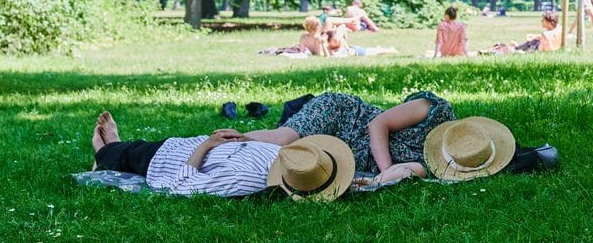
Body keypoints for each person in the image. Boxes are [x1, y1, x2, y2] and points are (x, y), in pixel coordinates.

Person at [241, 91, 456, 184]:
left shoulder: (439, 165)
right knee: (283, 139)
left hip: (342, 149)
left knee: (287, 158)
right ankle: (225, 140)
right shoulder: (435, 111)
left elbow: (405, 172)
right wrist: (386, 169)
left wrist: (378, 181)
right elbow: (378, 124)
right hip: (344, 115)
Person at [90, 111, 281, 197]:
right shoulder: (289, 157)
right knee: (138, 148)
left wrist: (206, 146)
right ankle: (113, 150)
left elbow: (183, 185)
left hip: (163, 162)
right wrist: (243, 139)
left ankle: (105, 152)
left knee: (130, 154)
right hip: (181, 147)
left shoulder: (244, 180)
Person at [480, 11, 561, 55]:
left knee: (501, 48)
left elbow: (545, 51)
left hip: (525, 50)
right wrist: (534, 37)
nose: (541, 22)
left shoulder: (546, 36)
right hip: (524, 47)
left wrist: (521, 52)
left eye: (543, 20)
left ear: (549, 22)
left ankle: (482, 53)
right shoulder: (558, 29)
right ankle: (484, 52)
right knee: (503, 46)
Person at [324, 25, 398, 57]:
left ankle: (391, 50)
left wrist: (339, 38)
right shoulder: (331, 47)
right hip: (356, 50)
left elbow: (342, 27)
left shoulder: (341, 44)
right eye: (334, 40)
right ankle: (383, 48)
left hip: (358, 51)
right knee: (375, 50)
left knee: (376, 51)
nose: (337, 41)